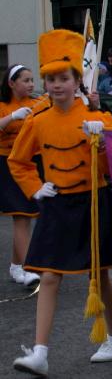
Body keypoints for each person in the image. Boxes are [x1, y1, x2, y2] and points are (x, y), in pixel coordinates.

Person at [9, 29, 112, 376]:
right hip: (58, 205)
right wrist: (34, 188)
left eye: (63, 78)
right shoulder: (38, 120)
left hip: (93, 201)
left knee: (100, 278)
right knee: (49, 276)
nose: (56, 85)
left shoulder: (99, 119)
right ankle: (41, 352)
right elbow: (18, 161)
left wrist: (105, 141)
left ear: (78, 80)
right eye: (50, 79)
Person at [0, 65, 42, 288]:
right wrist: (12, 117)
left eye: (32, 80)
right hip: (7, 163)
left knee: (28, 215)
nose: (31, 84)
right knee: (21, 214)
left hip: (33, 163)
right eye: (26, 80)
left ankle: (16, 265)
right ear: (11, 83)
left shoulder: (36, 104)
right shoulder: (3, 106)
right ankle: (28, 267)